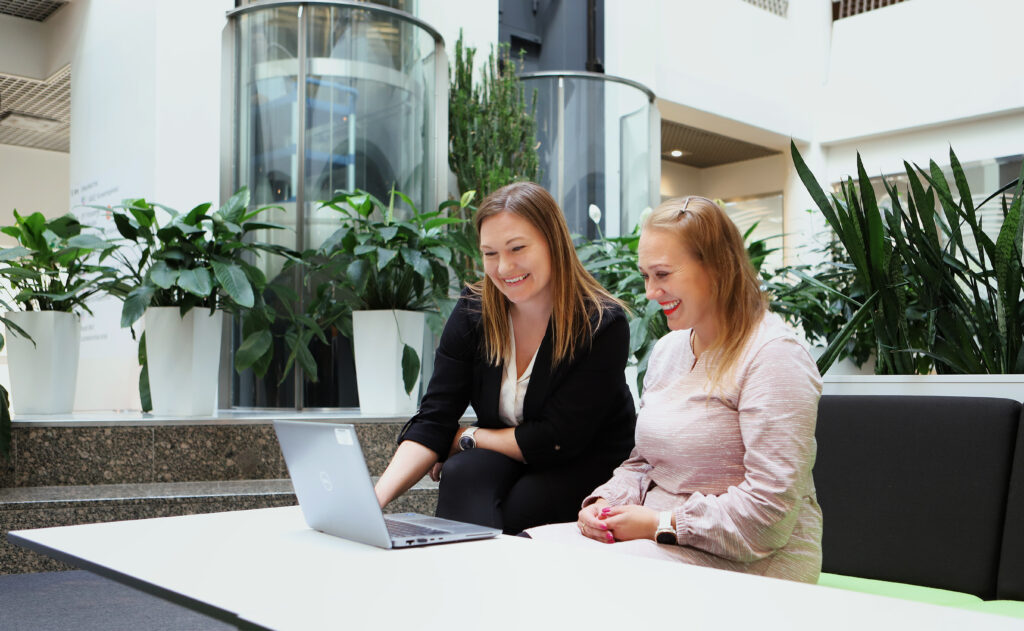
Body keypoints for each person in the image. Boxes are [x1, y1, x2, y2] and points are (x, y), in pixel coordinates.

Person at [527, 195, 823, 583]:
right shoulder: (669, 350)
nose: (650, 291)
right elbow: (644, 462)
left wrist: (660, 523)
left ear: (717, 268)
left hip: (754, 563)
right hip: (661, 542)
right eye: (646, 275)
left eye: (663, 275)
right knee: (525, 551)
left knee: (566, 578)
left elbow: (769, 516)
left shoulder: (773, 356)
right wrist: (606, 503)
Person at [373, 181, 636, 534]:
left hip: (583, 459)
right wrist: (374, 501)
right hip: (510, 454)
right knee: (462, 473)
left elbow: (557, 439)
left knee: (523, 507)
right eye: (490, 253)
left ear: (553, 242)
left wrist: (468, 438)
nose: (504, 267)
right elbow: (435, 418)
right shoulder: (473, 312)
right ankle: (459, 576)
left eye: (517, 248)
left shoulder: (601, 323)